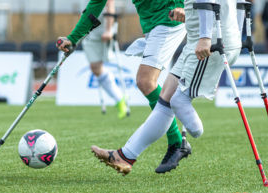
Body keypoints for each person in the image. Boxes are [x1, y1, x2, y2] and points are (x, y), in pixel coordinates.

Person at [91, 0, 244, 175]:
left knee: (178, 101)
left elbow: (207, 1)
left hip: (210, 42)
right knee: (166, 96)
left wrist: (205, 38)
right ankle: (125, 156)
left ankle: (185, 140)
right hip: (199, 39)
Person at [57, 0, 189, 172]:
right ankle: (172, 143)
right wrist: (73, 38)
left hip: (168, 20)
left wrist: (185, 7)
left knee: (146, 81)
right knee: (148, 83)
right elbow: (95, 5)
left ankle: (176, 143)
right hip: (152, 24)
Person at [81, 0, 127, 119]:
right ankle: (120, 98)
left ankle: (119, 100)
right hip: (90, 30)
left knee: (101, 64)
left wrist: (108, 30)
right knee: (95, 67)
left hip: (104, 28)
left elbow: (110, 5)